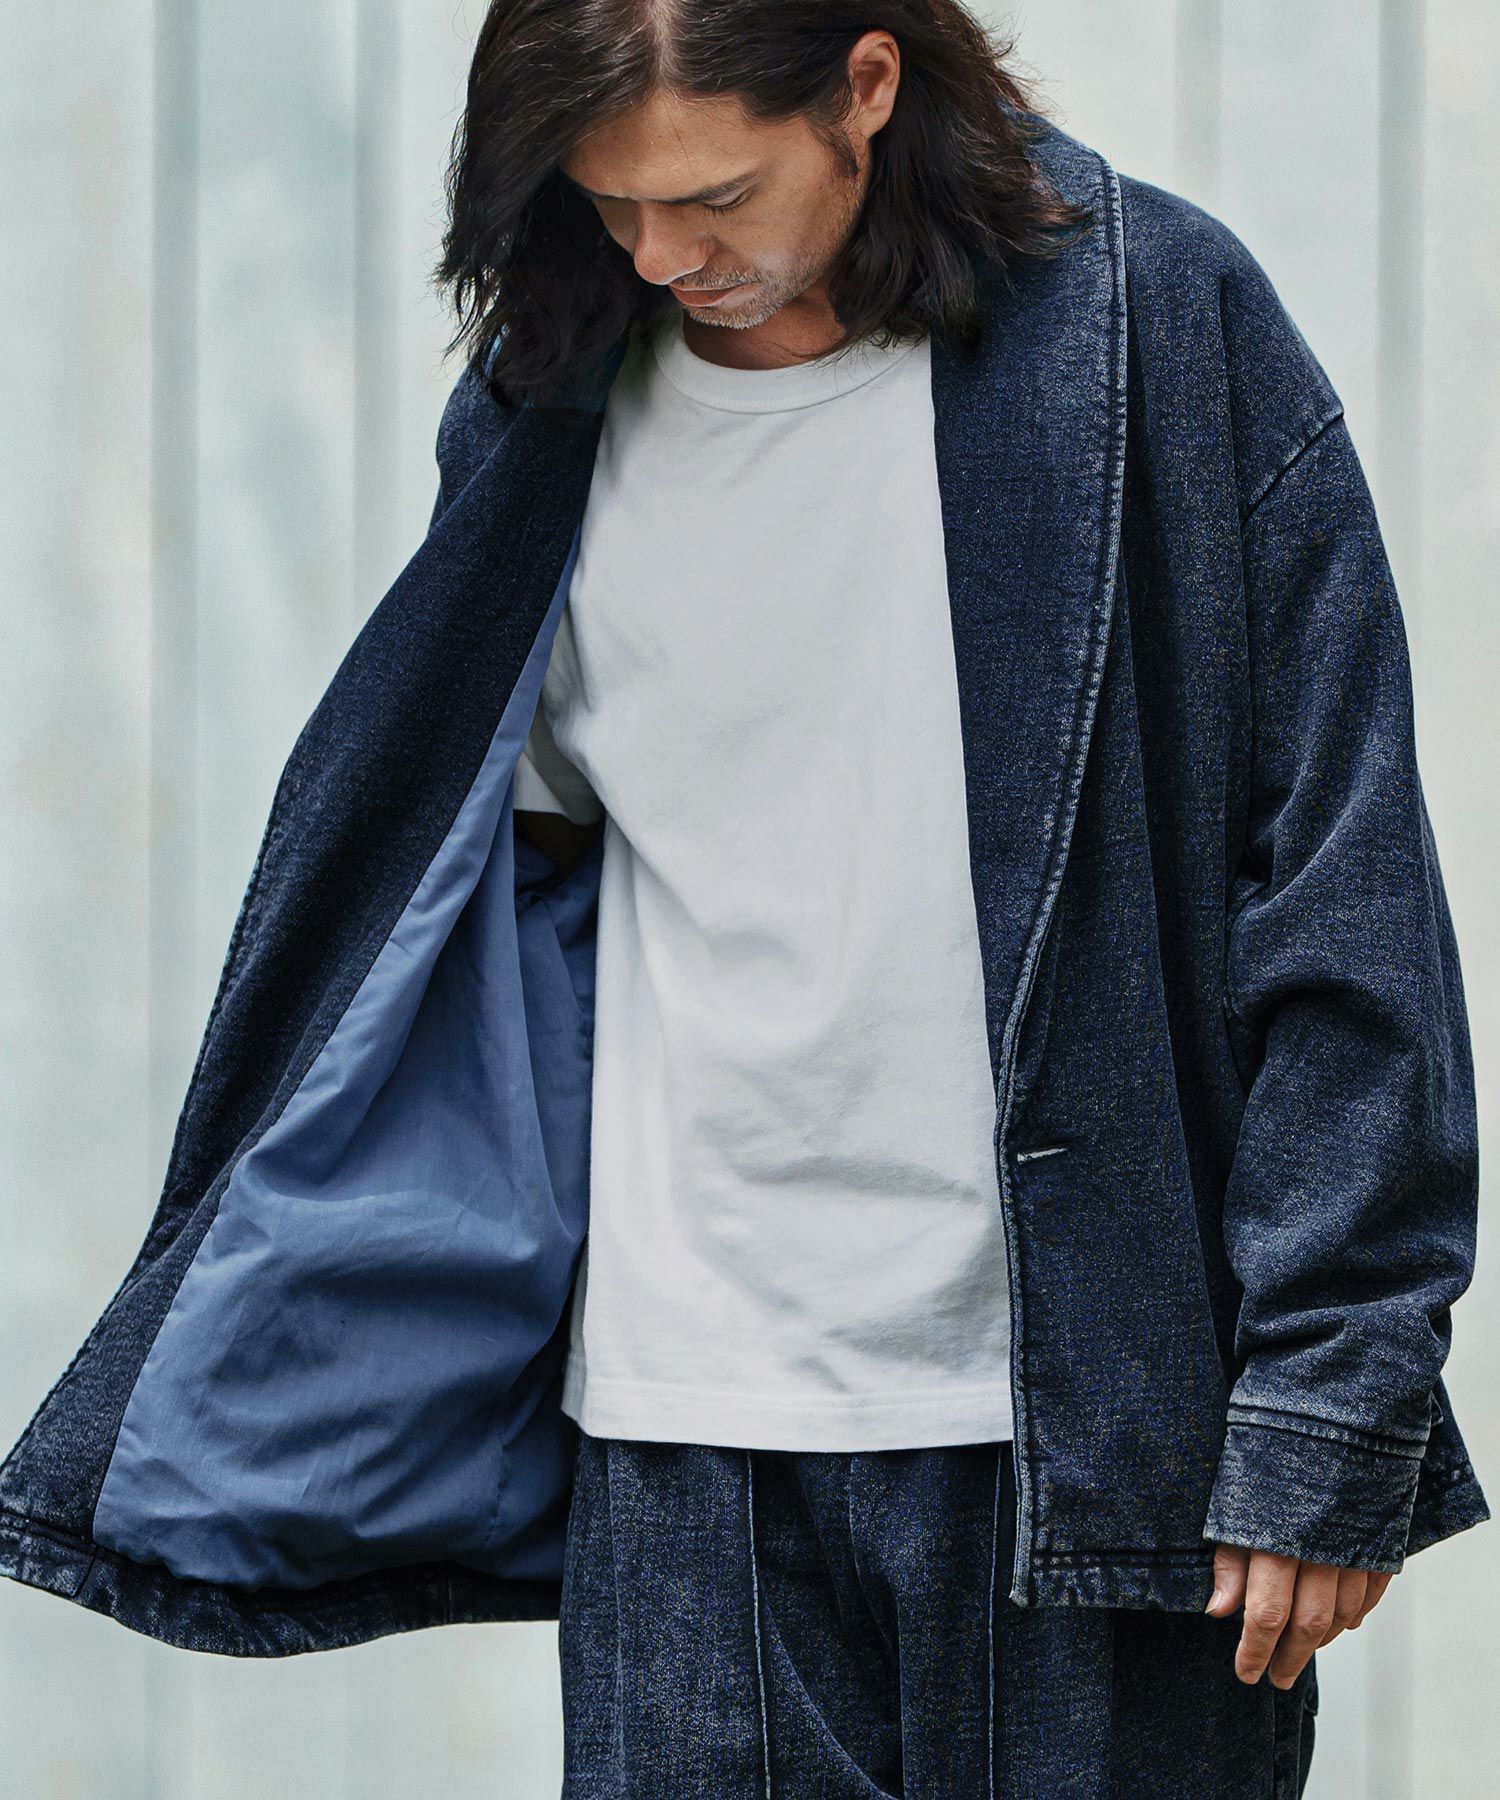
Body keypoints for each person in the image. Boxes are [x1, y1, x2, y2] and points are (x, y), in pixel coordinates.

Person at [0, 5, 1487, 1796]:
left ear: (867, 87)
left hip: (1096, 1443)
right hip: (684, 1455)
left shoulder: (1155, 326)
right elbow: (495, 894)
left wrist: (1331, 1400)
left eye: (710, 196)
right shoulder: (554, 401)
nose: (659, 253)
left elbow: (1336, 880)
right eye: (608, 201)